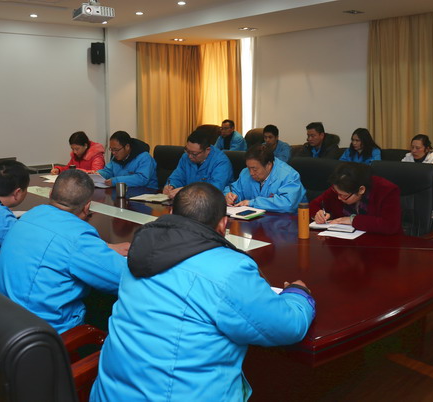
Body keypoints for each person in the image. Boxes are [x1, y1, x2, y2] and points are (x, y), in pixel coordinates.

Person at [90, 182, 315, 401]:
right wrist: (298, 294)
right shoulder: (228, 269)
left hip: (109, 393)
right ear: (223, 224)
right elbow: (287, 327)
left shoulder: (140, 249)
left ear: (171, 213)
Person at [0, 169, 129, 334]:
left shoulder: (30, 215)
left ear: (50, 194)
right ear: (87, 207)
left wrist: (101, 247)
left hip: (0, 321)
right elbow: (124, 279)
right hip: (42, 334)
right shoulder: (78, 238)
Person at [310, 162, 402, 235]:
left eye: (344, 196)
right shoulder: (340, 187)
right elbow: (312, 205)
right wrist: (318, 214)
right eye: (337, 193)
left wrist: (353, 220)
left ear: (361, 190)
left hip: (382, 244)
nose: (339, 198)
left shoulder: (386, 190)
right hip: (344, 242)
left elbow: (390, 225)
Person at [223, 146, 306, 213]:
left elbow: (288, 204)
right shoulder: (246, 173)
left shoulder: (289, 175)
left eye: (254, 169)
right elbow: (234, 189)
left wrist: (252, 203)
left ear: (268, 165)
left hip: (287, 223)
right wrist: (230, 196)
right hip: (255, 221)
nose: (251, 173)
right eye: (248, 168)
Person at [163, 129, 233, 197]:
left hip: (212, 202)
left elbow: (214, 189)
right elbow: (177, 176)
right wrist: (171, 185)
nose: (190, 156)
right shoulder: (185, 157)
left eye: (194, 154)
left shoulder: (221, 162)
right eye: (187, 151)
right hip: (189, 200)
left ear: (207, 150)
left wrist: (186, 190)